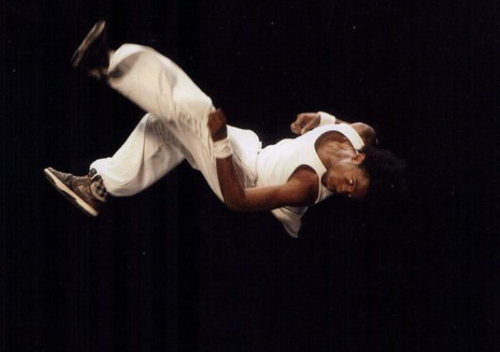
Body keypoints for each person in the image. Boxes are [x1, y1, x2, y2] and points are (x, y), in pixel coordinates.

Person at [45, 21, 406, 238]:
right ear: (358, 156)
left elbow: (237, 200)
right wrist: (321, 119)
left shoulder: (307, 186)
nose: (342, 189)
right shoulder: (361, 133)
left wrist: (219, 143)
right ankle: (98, 187)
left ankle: (107, 62)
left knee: (197, 112)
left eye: (348, 195)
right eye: (351, 182)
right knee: (163, 126)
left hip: (240, 178)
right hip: (253, 151)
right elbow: (347, 126)